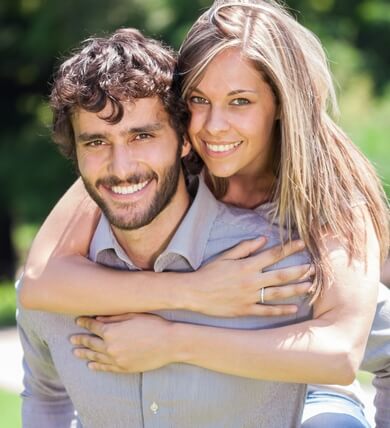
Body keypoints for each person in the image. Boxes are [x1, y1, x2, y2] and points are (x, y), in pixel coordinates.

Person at [19, 0, 389, 426]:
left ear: (284, 103)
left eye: (240, 101)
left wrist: (174, 341)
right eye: (198, 99)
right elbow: (40, 282)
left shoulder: (332, 202)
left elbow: (342, 353)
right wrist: (193, 291)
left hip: (311, 390)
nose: (213, 126)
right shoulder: (143, 166)